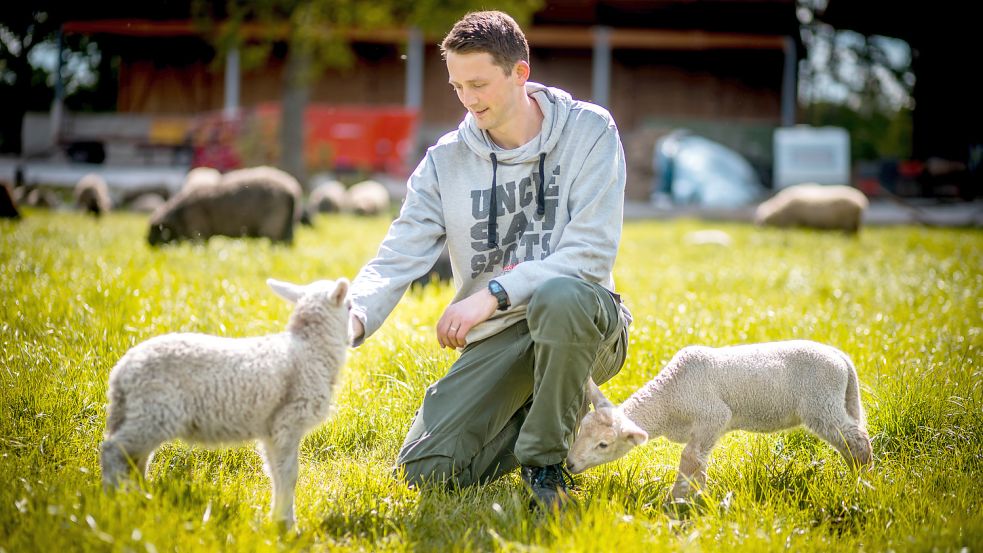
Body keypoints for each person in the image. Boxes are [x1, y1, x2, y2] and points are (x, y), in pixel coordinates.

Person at [348, 10, 630, 509]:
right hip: (500, 336)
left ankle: (546, 468)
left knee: (559, 296)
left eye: (478, 83)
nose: (468, 99)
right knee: (424, 472)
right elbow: (398, 254)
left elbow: (589, 255)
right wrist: (353, 314)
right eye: (457, 86)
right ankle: (559, 413)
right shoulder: (444, 161)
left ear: (520, 72)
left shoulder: (590, 131)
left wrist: (492, 295)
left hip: (585, 321)